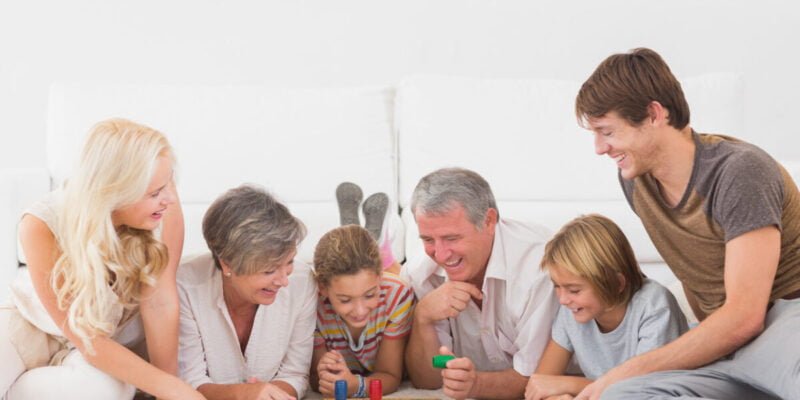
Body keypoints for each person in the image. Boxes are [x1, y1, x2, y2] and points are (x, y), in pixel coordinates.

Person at [574, 48, 800, 400]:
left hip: (786, 326)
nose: (600, 148)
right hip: (729, 350)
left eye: (607, 131)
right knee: (620, 394)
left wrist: (630, 367)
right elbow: (697, 275)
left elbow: (744, 316)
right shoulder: (636, 180)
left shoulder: (739, 172)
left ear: (653, 114)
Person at [0, 118, 203, 399]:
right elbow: (83, 333)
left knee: (107, 390)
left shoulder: (164, 212)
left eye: (170, 184)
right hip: (30, 328)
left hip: (101, 347)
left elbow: (159, 303)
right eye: (155, 192)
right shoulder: (40, 224)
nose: (169, 198)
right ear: (115, 193)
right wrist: (171, 389)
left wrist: (169, 389)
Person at [401, 167, 559, 400]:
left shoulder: (539, 266)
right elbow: (430, 378)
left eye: (452, 238)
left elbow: (538, 377)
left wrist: (475, 385)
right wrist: (423, 317)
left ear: (489, 221)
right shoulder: (420, 272)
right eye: (428, 239)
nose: (441, 255)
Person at [524, 214, 688, 400]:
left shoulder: (653, 306)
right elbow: (541, 383)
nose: (562, 299)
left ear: (617, 283)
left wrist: (570, 384)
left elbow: (640, 391)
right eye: (556, 286)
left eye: (574, 290)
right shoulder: (572, 310)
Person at [177, 185, 317, 400]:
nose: (283, 280)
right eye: (269, 270)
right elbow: (189, 382)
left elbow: (295, 374)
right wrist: (243, 394)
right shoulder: (185, 285)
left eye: (288, 262)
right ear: (227, 264)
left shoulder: (302, 280)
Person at [310, 225, 415, 397]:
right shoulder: (312, 304)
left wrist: (357, 386)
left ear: (380, 277)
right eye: (345, 300)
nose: (360, 311)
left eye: (370, 295)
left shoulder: (396, 295)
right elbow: (315, 380)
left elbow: (391, 376)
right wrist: (327, 375)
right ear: (323, 288)